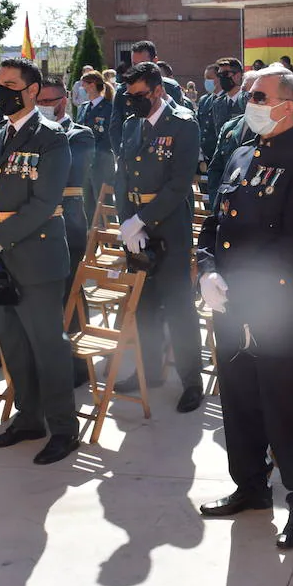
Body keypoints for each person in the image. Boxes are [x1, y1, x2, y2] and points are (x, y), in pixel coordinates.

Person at [196, 66, 293, 551]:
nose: (249, 101)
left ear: (287, 106)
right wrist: (208, 270)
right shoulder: (239, 154)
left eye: (259, 95)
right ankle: (250, 485)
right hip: (229, 301)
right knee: (238, 397)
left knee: (285, 402)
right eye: (252, 94)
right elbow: (214, 225)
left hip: (276, 304)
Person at [0, 59, 79, 465]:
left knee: (47, 346)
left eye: (11, 85)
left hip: (36, 257)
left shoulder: (52, 138)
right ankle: (28, 418)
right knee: (13, 344)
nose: (2, 92)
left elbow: (44, 202)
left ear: (33, 91)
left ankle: (64, 429)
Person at [114, 62, 205, 413]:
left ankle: (191, 381)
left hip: (169, 225)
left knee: (178, 305)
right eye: (129, 95)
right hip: (136, 226)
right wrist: (127, 222)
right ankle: (148, 371)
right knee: (144, 305)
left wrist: (141, 219)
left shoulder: (183, 124)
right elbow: (122, 176)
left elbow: (180, 184)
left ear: (157, 91)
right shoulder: (130, 125)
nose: (134, 101)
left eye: (140, 95)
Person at [36, 80, 93, 299]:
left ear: (64, 101)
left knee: (69, 295)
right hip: (34, 223)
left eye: (49, 101)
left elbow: (70, 172)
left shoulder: (80, 134)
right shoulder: (30, 134)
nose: (43, 105)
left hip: (67, 221)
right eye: (39, 101)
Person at [207, 69, 261, 208]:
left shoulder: (267, 129)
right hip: (226, 206)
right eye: (244, 91)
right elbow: (216, 169)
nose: (247, 97)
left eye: (253, 94)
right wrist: (216, 202)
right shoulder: (230, 127)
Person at [77, 71, 113, 209]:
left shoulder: (109, 107)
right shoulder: (83, 108)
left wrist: (92, 155)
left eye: (84, 84)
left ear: (92, 85)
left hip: (101, 162)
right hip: (84, 164)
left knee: (104, 201)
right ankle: (90, 231)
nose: (82, 88)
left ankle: (108, 229)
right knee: (87, 203)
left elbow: (109, 136)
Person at [203, 57, 246, 164]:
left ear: (238, 75)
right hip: (223, 161)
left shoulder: (247, 101)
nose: (221, 78)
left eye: (225, 74)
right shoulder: (218, 103)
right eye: (219, 75)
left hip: (242, 159)